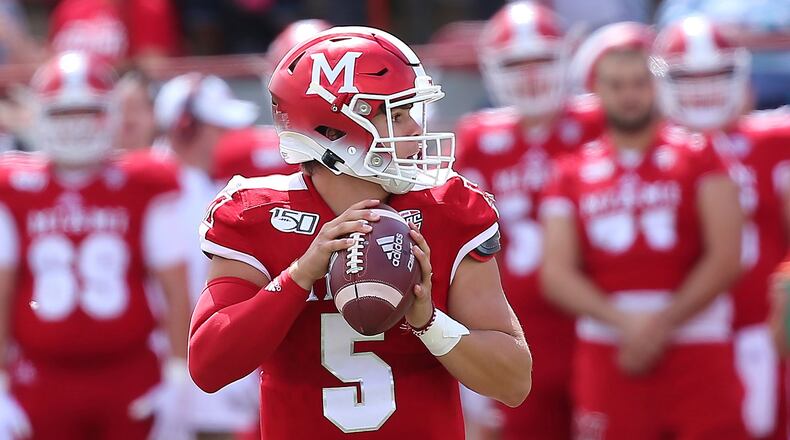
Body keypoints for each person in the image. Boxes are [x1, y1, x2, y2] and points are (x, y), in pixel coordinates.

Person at [188, 26, 533, 439]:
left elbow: (514, 382)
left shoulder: (447, 210)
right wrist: (299, 276)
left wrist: (429, 324)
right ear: (335, 129)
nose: (416, 132)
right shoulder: (259, 214)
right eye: (398, 115)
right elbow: (208, 366)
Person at [542, 22, 747, 439]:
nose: (629, 95)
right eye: (616, 84)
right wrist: (623, 322)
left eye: (639, 82)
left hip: (698, 345)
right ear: (596, 89)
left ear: (657, 84)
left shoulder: (703, 155)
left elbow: (727, 254)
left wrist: (660, 325)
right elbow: (555, 274)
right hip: (609, 348)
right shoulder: (570, 172)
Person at [0, 51, 191, 440]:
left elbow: (174, 286)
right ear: (40, 114)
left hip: (128, 370)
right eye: (63, 114)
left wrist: (178, 370)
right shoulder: (13, 186)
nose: (77, 125)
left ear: (110, 113)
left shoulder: (144, 181)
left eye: (87, 111)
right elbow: (3, 287)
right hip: (41, 375)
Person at [454, 2, 603, 438]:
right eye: (516, 63)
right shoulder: (478, 138)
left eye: (541, 60)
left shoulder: (601, 122)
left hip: (592, 320)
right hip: (517, 323)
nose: (531, 75)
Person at [652, 15, 790, 440]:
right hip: (674, 330)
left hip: (757, 329)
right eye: (689, 77)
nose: (704, 87)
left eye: (717, 74)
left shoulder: (772, 140)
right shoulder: (641, 151)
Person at [154, 72, 261, 439]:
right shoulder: (167, 190)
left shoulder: (208, 187)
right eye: (219, 127)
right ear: (186, 127)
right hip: (171, 360)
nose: (230, 138)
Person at [115, 70, 157, 151]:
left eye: (136, 108)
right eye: (121, 109)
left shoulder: (167, 159)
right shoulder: (99, 161)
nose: (129, 119)